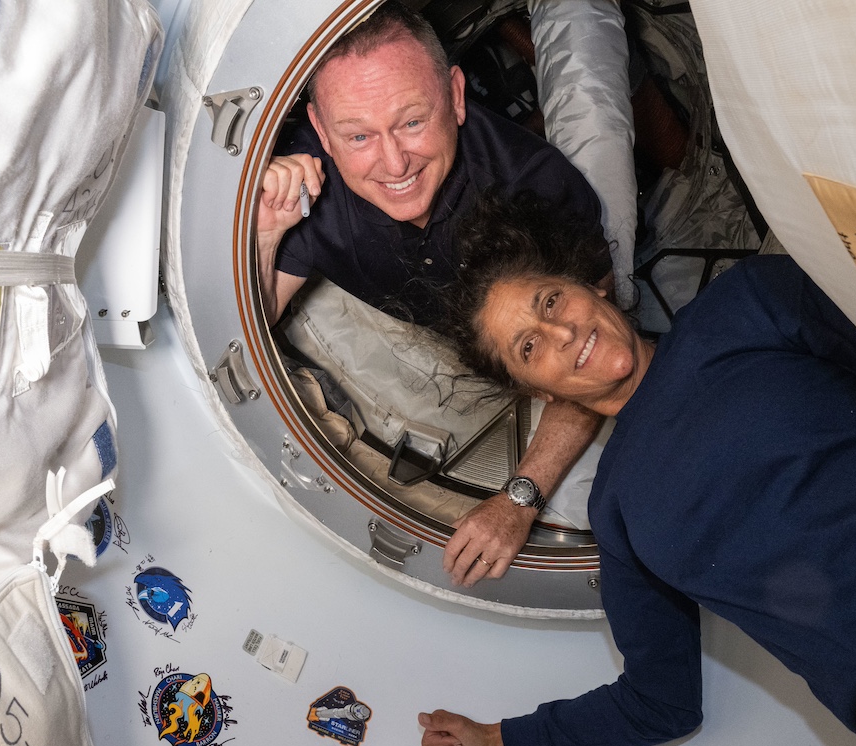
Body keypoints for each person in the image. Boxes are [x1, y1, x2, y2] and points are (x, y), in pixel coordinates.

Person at [417, 193, 856, 746]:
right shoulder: (617, 513)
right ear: (537, 392)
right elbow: (660, 702)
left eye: (551, 300)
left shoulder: (747, 303)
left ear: (592, 287)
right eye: (529, 346)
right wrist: (500, 739)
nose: (562, 331)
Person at [256, 1, 618, 585]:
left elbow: (596, 353)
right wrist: (269, 230)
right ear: (321, 130)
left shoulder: (538, 190)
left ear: (454, 95)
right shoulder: (309, 182)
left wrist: (517, 499)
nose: (393, 161)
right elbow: (259, 314)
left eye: (411, 122)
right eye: (357, 135)